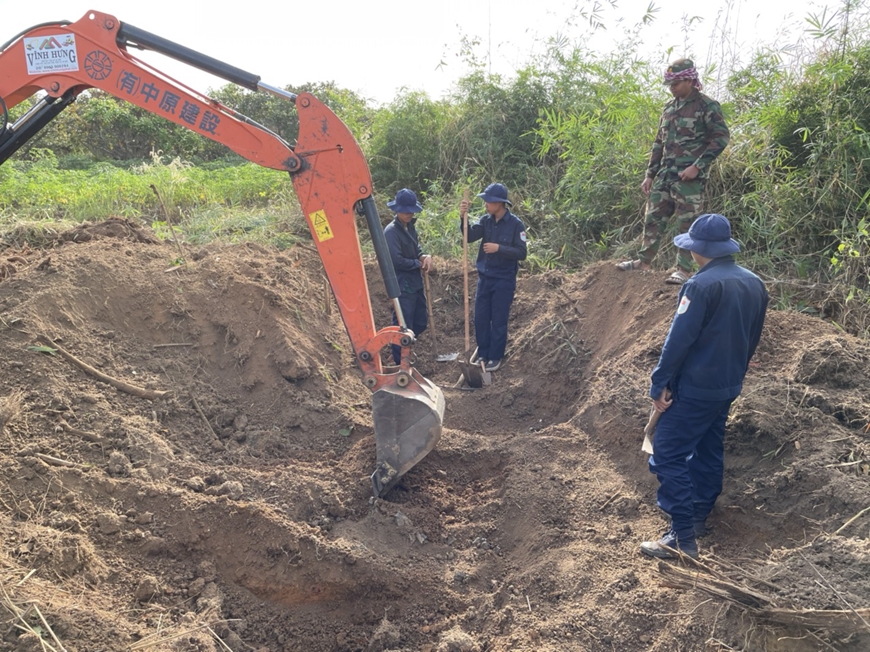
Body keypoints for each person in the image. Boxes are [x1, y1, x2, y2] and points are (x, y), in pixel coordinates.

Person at [640, 213, 768, 559]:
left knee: (667, 451)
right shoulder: (755, 283)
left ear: (700, 250)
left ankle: (681, 538)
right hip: (727, 385)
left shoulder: (699, 286)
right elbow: (751, 339)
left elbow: (678, 341)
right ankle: (697, 515)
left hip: (695, 387)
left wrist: (660, 383)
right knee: (709, 447)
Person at [617, 58, 731, 286]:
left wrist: (697, 166)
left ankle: (683, 270)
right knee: (653, 218)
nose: (672, 88)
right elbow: (659, 143)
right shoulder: (669, 108)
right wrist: (650, 174)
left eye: (676, 83)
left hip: (689, 178)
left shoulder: (706, 106)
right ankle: (644, 262)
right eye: (670, 84)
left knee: (687, 224)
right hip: (665, 176)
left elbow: (721, 138)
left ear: (689, 80)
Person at [459, 183, 527, 372]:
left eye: (488, 201)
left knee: (498, 318)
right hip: (485, 278)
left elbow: (522, 252)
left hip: (504, 280)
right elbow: (469, 236)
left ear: (499, 203)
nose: (485, 204)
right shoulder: (486, 221)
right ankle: (483, 352)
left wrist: (499, 249)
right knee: (481, 317)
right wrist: (463, 216)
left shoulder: (515, 225)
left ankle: (495, 356)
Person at [384, 188, 432, 365]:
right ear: (397, 210)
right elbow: (396, 261)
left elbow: (416, 249)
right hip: (402, 285)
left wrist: (423, 256)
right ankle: (399, 362)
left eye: (411, 210)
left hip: (415, 283)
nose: (409, 214)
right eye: (406, 211)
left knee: (420, 322)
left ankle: (403, 351)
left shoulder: (410, 227)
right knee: (403, 325)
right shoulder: (391, 232)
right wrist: (417, 264)